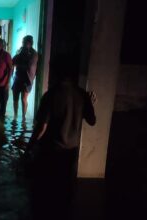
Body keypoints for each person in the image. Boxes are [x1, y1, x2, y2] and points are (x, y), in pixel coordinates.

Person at [26, 65, 96, 219]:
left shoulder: (51, 95)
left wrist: (28, 148)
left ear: (56, 74)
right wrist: (89, 102)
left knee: (47, 191)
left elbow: (41, 128)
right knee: (65, 191)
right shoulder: (82, 95)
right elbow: (92, 121)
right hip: (71, 150)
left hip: (52, 150)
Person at [12, 35, 38, 122]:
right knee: (15, 98)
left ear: (29, 43)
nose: (23, 44)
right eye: (22, 42)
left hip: (27, 79)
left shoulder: (34, 53)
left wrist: (19, 64)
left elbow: (29, 66)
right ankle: (15, 116)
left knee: (23, 99)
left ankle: (23, 117)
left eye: (24, 42)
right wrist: (20, 54)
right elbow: (13, 61)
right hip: (18, 78)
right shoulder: (20, 51)